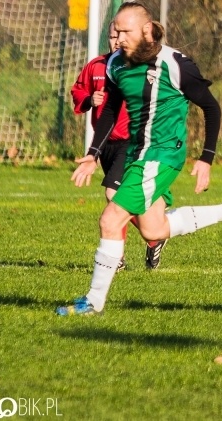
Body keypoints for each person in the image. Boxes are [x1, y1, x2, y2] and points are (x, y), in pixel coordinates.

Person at [57, 1, 222, 317]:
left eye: (125, 32)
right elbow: (111, 109)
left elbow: (211, 107)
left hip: (163, 153)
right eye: (116, 32)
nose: (119, 38)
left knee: (111, 219)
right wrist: (91, 154)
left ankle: (93, 302)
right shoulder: (115, 63)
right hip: (138, 152)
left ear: (147, 30)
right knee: (153, 230)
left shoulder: (175, 64)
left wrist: (206, 158)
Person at [71, 22, 168, 270]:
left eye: (121, 36)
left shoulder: (137, 68)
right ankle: (154, 235)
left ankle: (117, 257)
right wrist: (89, 99)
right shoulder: (96, 66)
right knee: (120, 198)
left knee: (113, 194)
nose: (117, 41)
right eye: (113, 36)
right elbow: (78, 90)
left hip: (131, 141)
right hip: (106, 145)